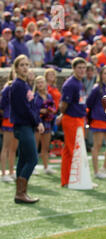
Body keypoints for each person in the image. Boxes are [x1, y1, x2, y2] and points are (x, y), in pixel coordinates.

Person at [10, 54, 44, 203]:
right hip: (23, 125)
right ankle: (20, 193)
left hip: (26, 125)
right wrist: (37, 122)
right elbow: (25, 109)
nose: (25, 67)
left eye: (26, 64)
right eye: (22, 65)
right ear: (16, 68)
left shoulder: (24, 84)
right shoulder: (18, 85)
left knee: (23, 160)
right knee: (32, 159)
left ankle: (21, 193)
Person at [59, 57, 88, 187]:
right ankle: (68, 180)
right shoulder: (71, 84)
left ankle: (70, 179)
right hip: (71, 119)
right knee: (72, 150)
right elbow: (64, 105)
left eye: (84, 68)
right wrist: (62, 114)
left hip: (79, 119)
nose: (82, 70)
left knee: (74, 150)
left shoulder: (79, 82)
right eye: (79, 68)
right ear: (74, 69)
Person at [86, 65, 106, 179]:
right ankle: (96, 171)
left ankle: (105, 167)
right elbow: (88, 103)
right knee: (97, 146)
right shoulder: (96, 88)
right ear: (101, 75)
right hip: (98, 119)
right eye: (105, 73)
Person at [33, 75, 57, 175]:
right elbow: (32, 110)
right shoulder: (34, 96)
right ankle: (33, 167)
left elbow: (54, 108)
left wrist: (51, 111)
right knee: (35, 146)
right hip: (37, 123)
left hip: (47, 123)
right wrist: (41, 111)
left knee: (46, 147)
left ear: (45, 83)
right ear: (35, 85)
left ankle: (46, 167)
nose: (40, 84)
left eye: (42, 82)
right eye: (38, 82)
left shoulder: (49, 96)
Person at [0, 71, 18, 182]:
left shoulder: (23, 86)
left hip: (17, 120)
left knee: (13, 148)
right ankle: (3, 173)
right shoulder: (8, 87)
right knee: (6, 147)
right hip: (8, 119)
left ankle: (11, 171)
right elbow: (1, 104)